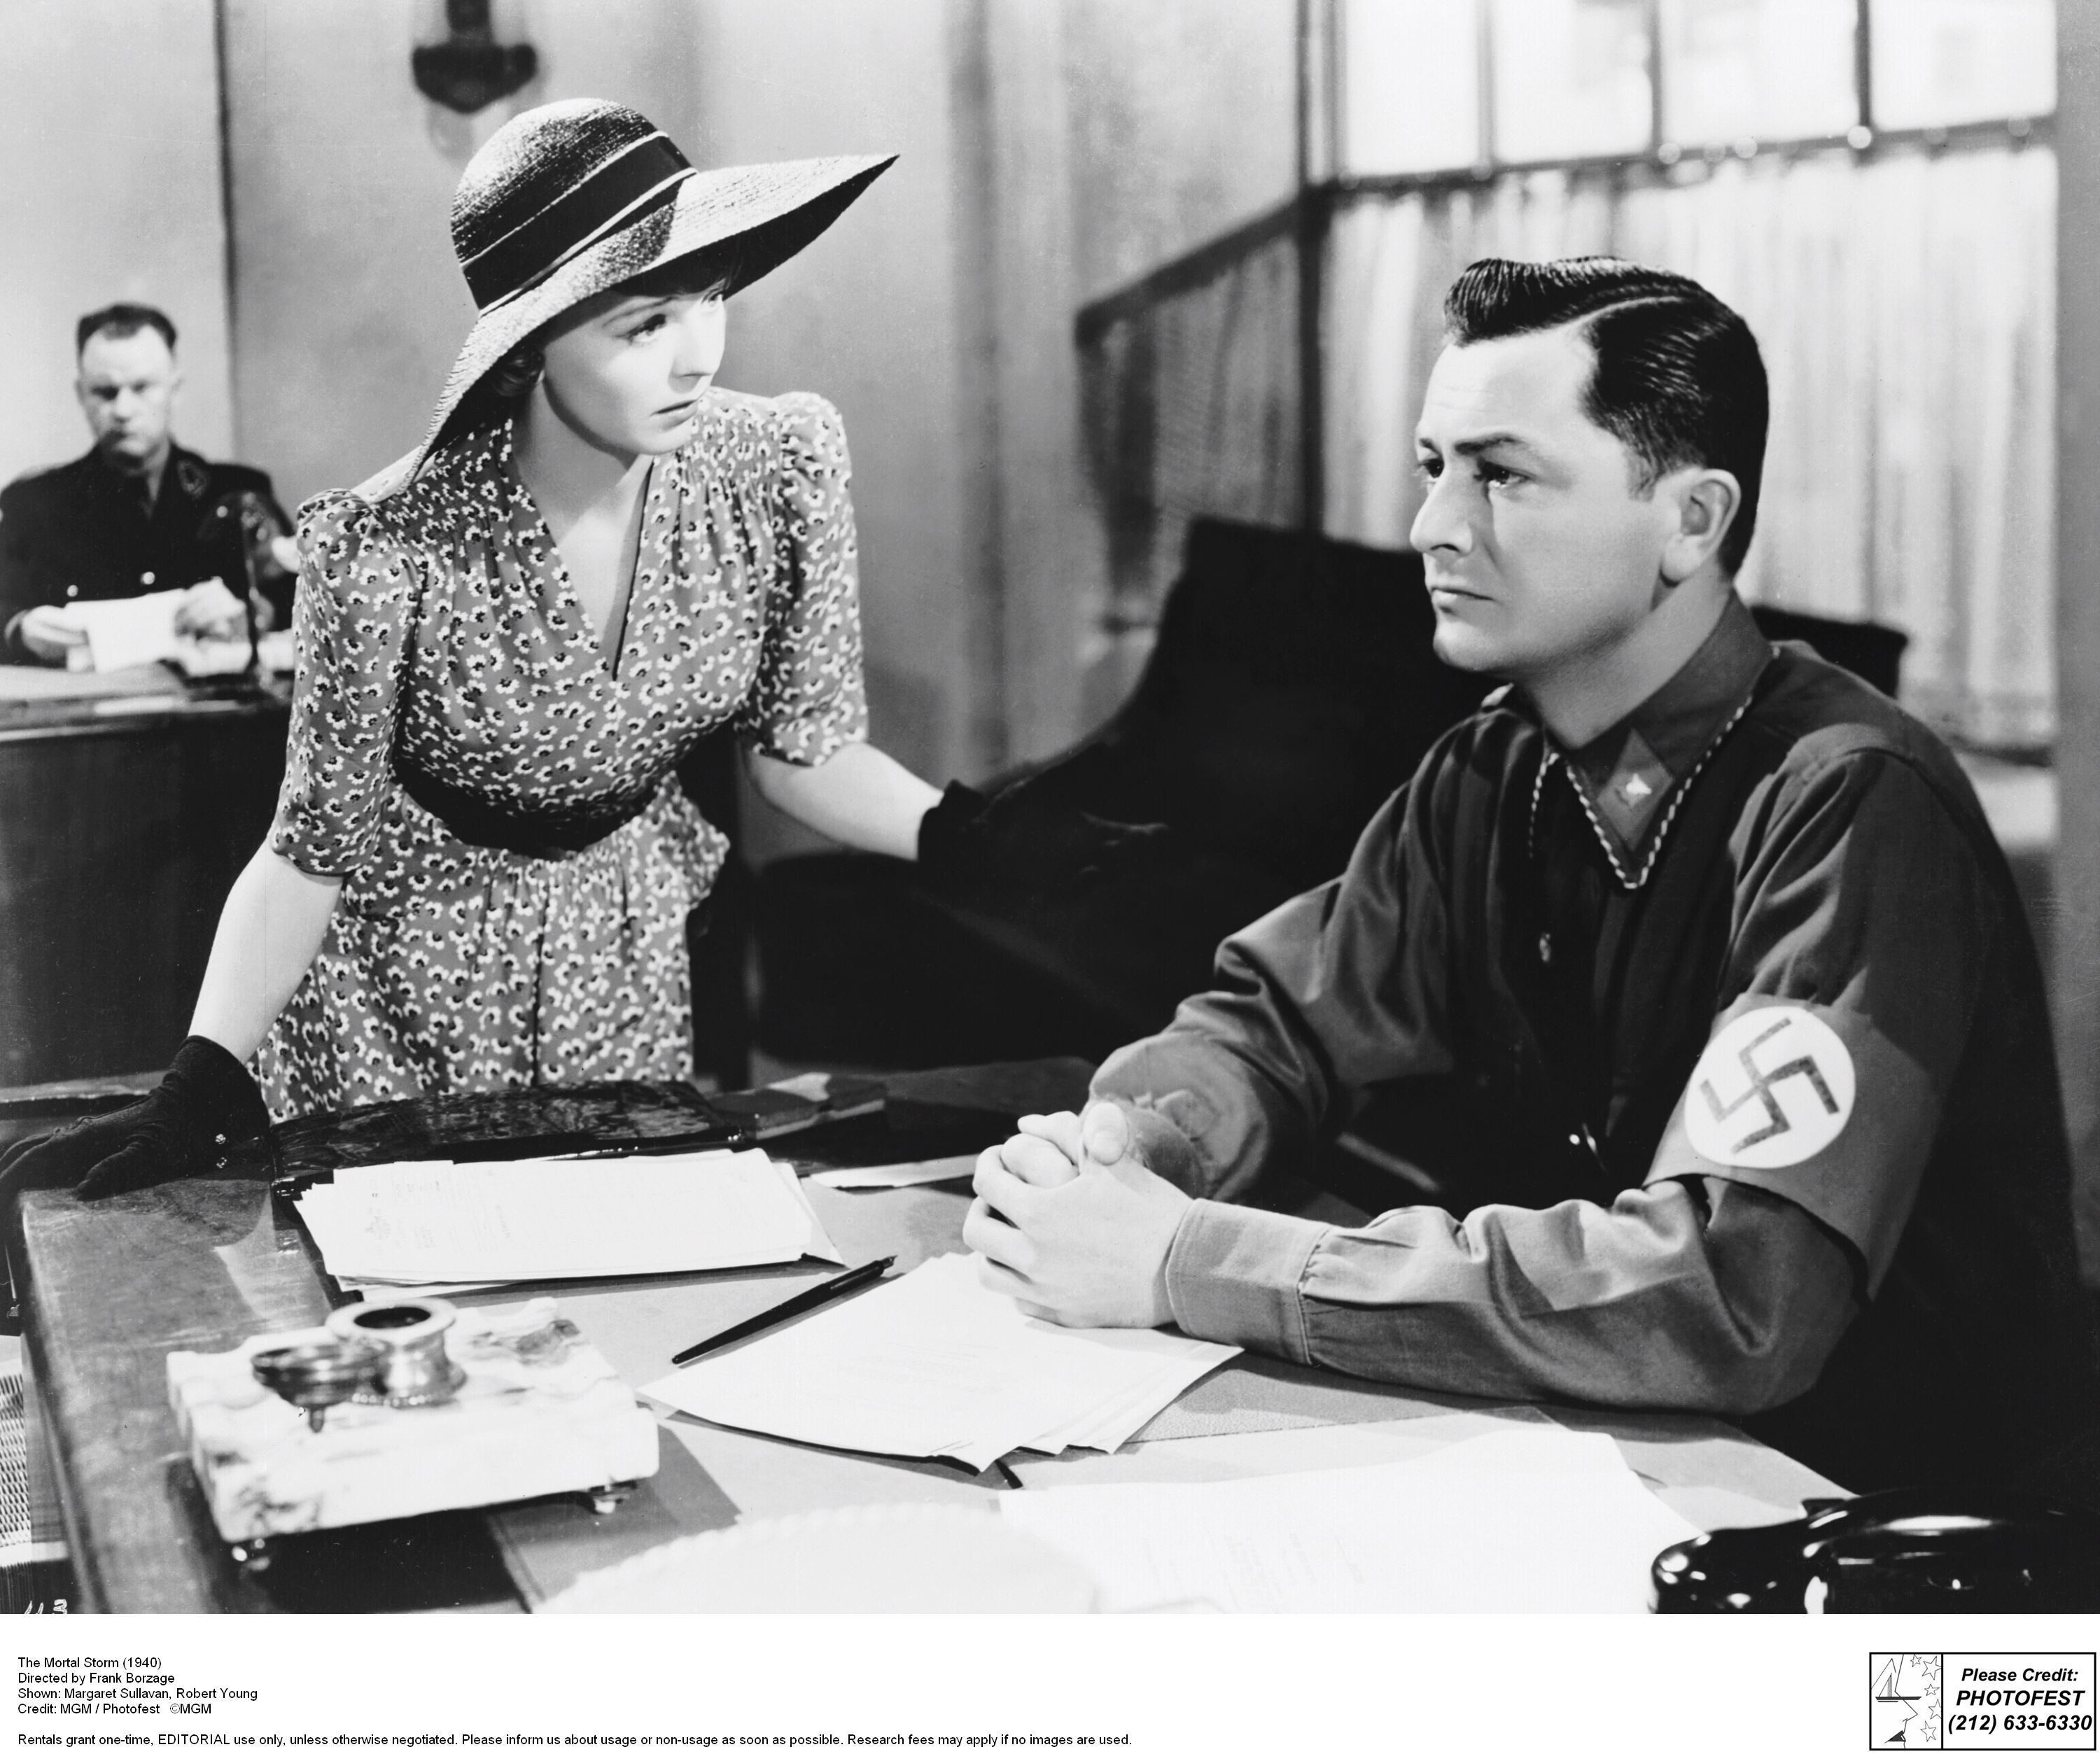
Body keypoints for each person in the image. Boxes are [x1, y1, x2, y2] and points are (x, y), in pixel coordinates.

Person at [965, 256, 2100, 1502]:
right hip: (1613, 1459)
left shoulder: (1849, 797)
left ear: (1692, 520)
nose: (1433, 527)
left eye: (1501, 474)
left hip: (1893, 1518)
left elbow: (1732, 1292)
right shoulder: (1498, 769)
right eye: (1432, 468)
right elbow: (1276, 1028)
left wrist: (1198, 1257)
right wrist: (1139, 1144)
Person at [0, 99, 1129, 1205]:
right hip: (401, 984)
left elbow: (803, 747)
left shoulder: (777, 463)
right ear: (535, 341)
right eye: (644, 325)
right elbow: (311, 853)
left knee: (606, 1299)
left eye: (710, 302)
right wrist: (203, 1075)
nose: (696, 357)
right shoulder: (391, 541)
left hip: (619, 952)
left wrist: (959, 836)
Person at [0, 303, 296, 665]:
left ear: (176, 388)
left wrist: (254, 614)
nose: (123, 410)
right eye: (105, 392)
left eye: (142, 387)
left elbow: (304, 603)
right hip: (90, 714)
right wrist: (20, 629)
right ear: (81, 395)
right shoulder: (33, 504)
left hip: (212, 715)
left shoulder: (238, 493)